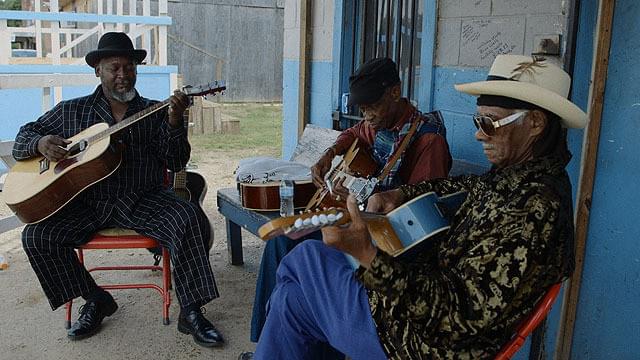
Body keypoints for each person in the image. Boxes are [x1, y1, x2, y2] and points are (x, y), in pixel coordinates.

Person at [249, 54, 587, 359]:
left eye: (488, 123)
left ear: (536, 123)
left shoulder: (531, 211)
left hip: (419, 341)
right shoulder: (519, 177)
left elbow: (457, 318)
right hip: (418, 303)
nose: (478, 136)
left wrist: (368, 256)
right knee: (291, 301)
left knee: (305, 260)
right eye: (476, 122)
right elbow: (463, 185)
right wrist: (402, 194)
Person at [12, 32, 224, 347]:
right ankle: (96, 299)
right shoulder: (72, 111)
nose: (123, 75)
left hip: (142, 199)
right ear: (98, 70)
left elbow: (176, 160)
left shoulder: (155, 111)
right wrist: (40, 143)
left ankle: (191, 311)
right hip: (88, 203)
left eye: (129, 67)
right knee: (36, 236)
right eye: (114, 68)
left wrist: (175, 121)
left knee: (189, 216)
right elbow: (23, 137)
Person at [249, 57, 452, 344]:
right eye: (361, 108)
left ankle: (298, 339)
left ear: (395, 92)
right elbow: (352, 133)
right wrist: (329, 155)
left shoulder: (427, 141)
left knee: (301, 251)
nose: (366, 115)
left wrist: (363, 201)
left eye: (371, 106)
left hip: (388, 244)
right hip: (362, 221)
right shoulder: (379, 123)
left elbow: (418, 216)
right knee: (282, 240)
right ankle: (266, 338)